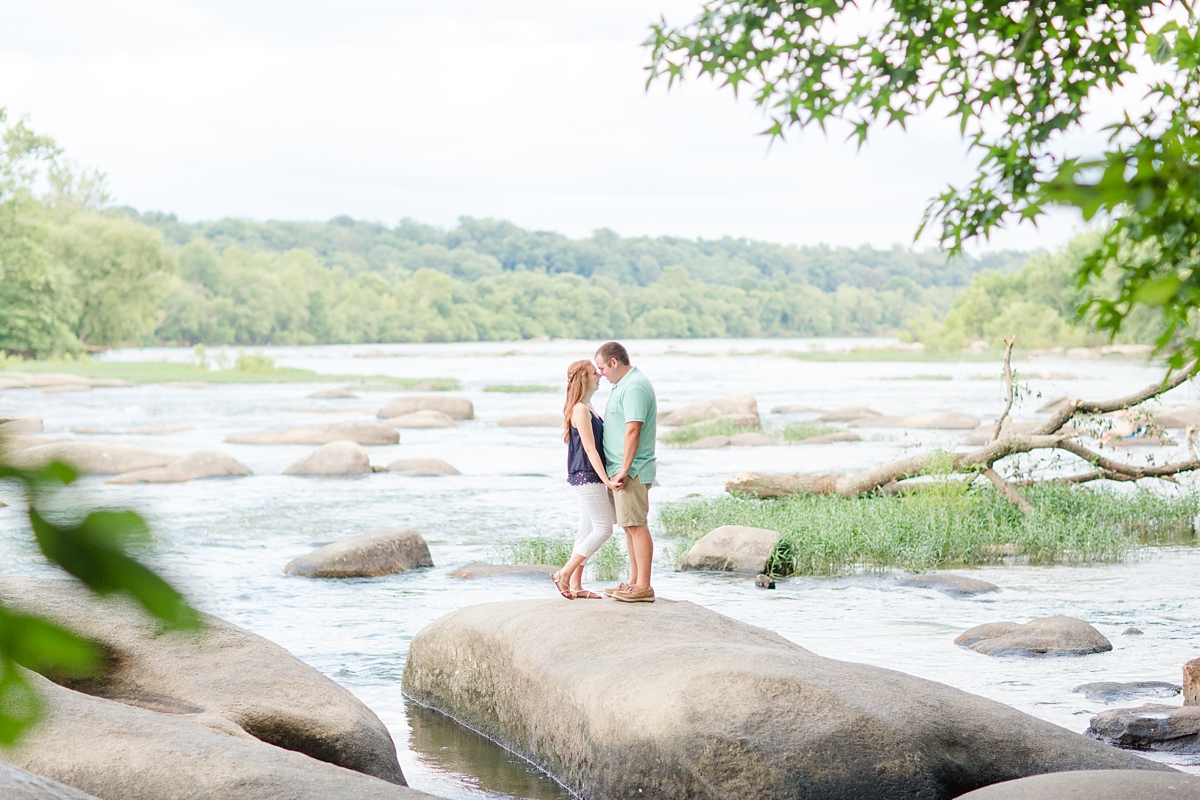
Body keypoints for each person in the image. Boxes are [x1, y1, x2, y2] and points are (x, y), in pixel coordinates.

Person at [595, 341, 657, 603]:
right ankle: (634, 582)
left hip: (631, 470)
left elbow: (634, 429)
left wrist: (623, 469)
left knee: (636, 525)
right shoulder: (624, 384)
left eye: (601, 368)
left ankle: (643, 585)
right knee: (629, 527)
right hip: (624, 469)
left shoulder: (633, 386)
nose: (601, 374)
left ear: (614, 362)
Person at [551, 359, 617, 600]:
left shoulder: (587, 407)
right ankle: (563, 574)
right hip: (588, 475)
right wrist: (607, 481)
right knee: (604, 529)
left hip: (587, 475)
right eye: (593, 373)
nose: (599, 375)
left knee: (586, 530)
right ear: (583, 379)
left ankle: (576, 586)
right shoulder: (580, 409)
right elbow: (590, 449)